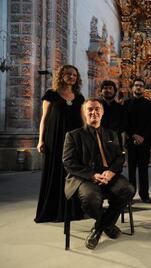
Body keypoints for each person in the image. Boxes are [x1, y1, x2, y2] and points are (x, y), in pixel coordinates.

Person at [62, 98, 135, 250]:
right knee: (90, 199)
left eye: (97, 109)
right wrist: (92, 175)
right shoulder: (73, 135)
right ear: (84, 113)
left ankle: (99, 228)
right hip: (84, 178)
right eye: (90, 109)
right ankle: (107, 225)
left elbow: (120, 157)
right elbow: (68, 162)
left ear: (102, 112)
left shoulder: (112, 134)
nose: (93, 112)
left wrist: (111, 171)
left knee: (128, 190)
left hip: (109, 175)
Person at [35, 65, 85, 223]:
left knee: (73, 173)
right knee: (55, 172)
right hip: (54, 139)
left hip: (75, 142)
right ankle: (52, 210)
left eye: (74, 75)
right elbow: (44, 119)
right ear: (61, 75)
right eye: (68, 74)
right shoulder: (51, 94)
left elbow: (84, 122)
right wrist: (40, 140)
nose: (71, 77)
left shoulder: (79, 97)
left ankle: (73, 210)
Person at [124, 78, 151, 203]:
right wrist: (133, 135)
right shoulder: (126, 103)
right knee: (131, 170)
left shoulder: (149, 104)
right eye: (136, 85)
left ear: (143, 88)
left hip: (144, 141)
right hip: (131, 141)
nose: (138, 87)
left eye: (141, 86)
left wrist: (143, 137)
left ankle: (145, 195)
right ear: (132, 88)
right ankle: (131, 195)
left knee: (143, 169)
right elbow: (125, 122)